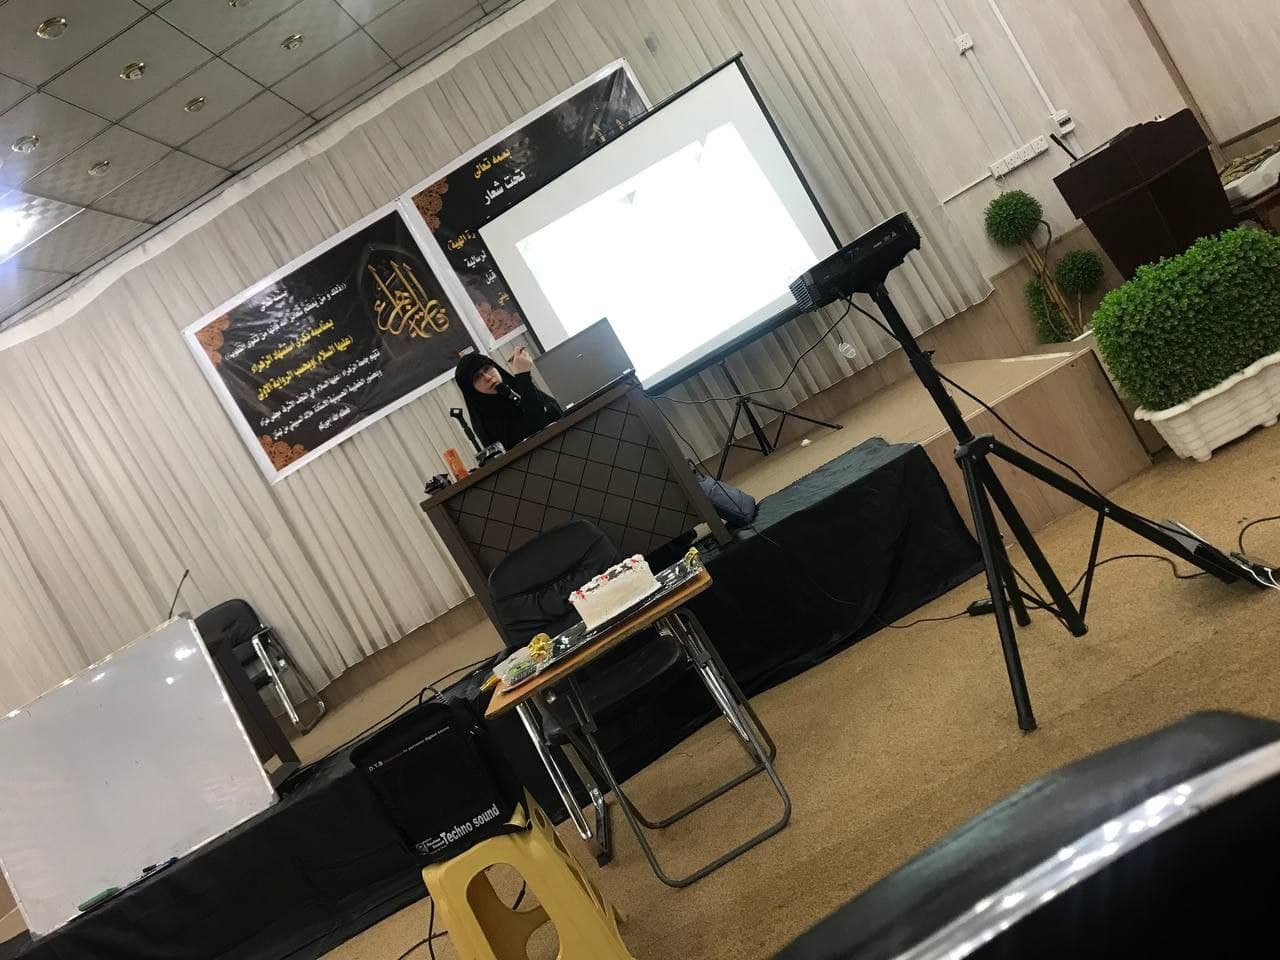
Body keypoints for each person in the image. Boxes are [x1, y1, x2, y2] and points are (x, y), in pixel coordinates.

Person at [454, 348, 563, 450]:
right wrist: (523, 377)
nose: (488, 378)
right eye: (477, 377)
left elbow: (558, 412)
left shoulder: (514, 389)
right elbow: (536, 428)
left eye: (487, 369)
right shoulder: (487, 421)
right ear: (471, 389)